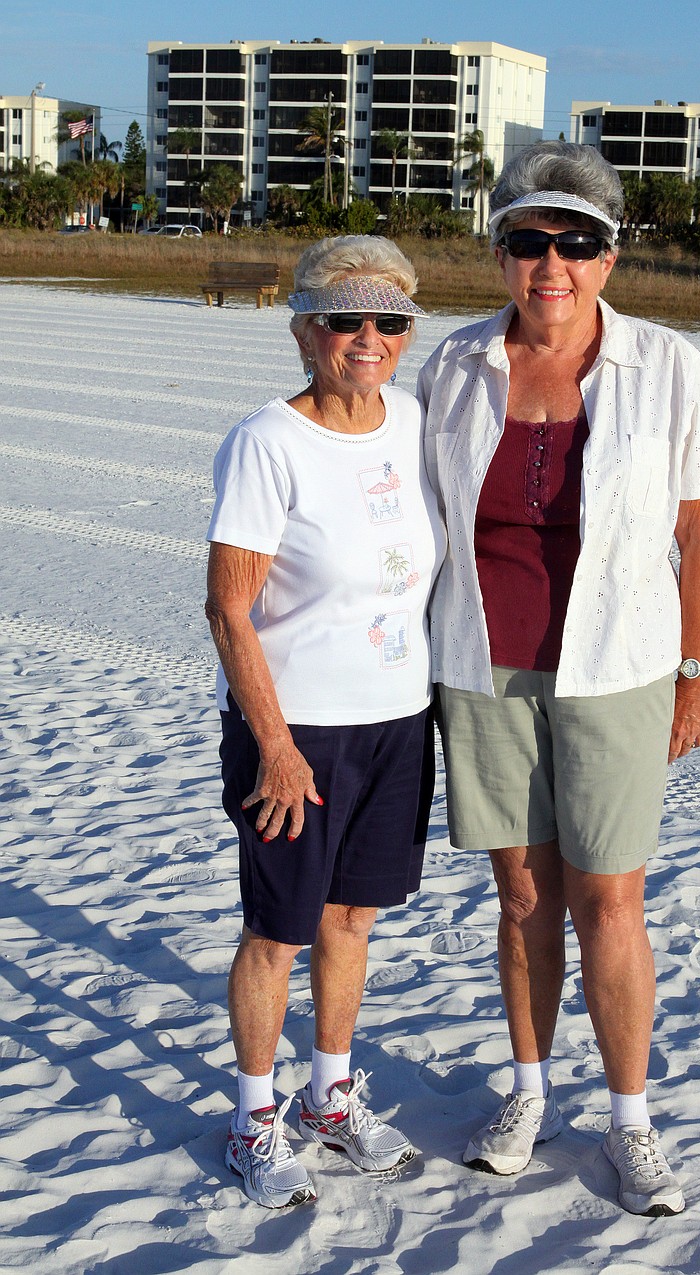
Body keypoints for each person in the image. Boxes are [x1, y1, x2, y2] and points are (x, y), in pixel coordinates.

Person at [417, 142, 700, 1217]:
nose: (549, 263)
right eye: (527, 240)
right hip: (482, 665)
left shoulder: (668, 365)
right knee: (522, 894)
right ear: (500, 253)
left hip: (619, 667)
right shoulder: (454, 363)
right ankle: (527, 1092)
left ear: (609, 257)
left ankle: (629, 1120)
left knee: (610, 899)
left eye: (576, 242)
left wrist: (696, 671)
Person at [205, 235, 446, 1209]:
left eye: (389, 321)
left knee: (352, 920)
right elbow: (229, 608)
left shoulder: (414, 421)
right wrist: (273, 746)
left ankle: (329, 1100)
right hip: (295, 734)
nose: (367, 338)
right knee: (279, 931)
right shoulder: (268, 440)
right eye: (344, 319)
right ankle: (253, 1120)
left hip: (396, 723)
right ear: (305, 330)